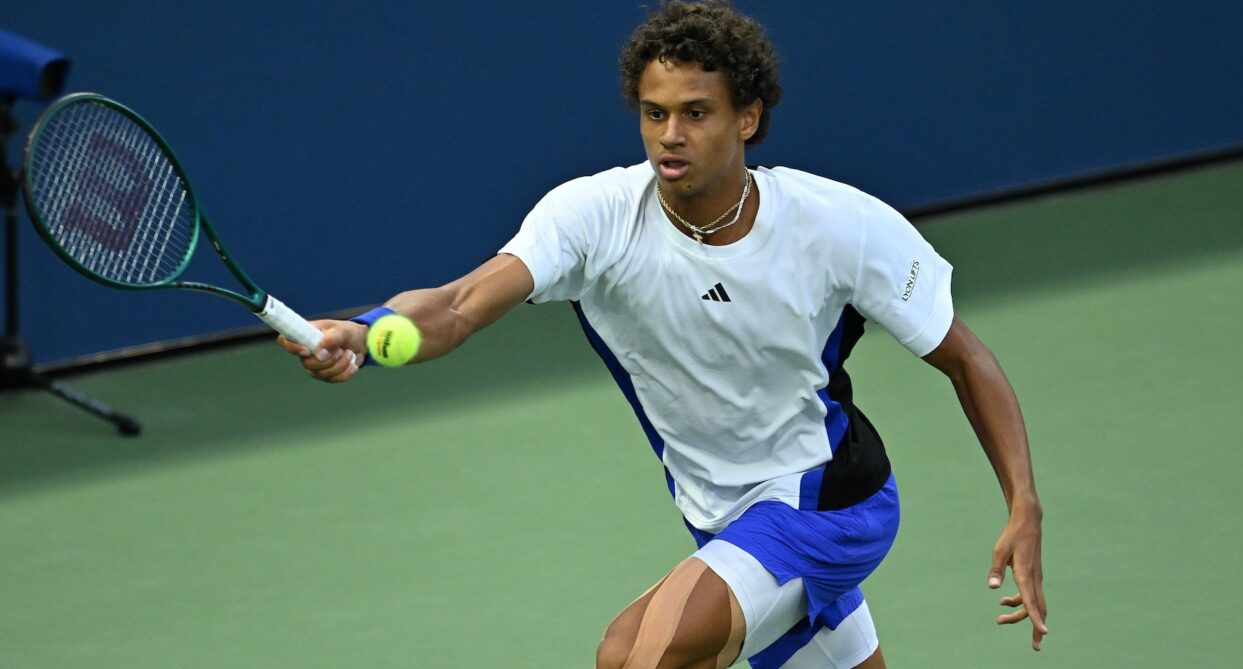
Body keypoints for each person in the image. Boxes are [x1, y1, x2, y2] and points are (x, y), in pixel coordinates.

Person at [278, 2, 1047, 667]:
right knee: (623, 654)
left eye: (695, 112)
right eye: (654, 113)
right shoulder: (595, 218)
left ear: (747, 116)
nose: (669, 135)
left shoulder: (837, 225)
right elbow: (457, 304)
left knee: (648, 656)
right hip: (722, 513)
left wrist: (1023, 503)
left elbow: (965, 357)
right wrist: (366, 327)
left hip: (828, 501)